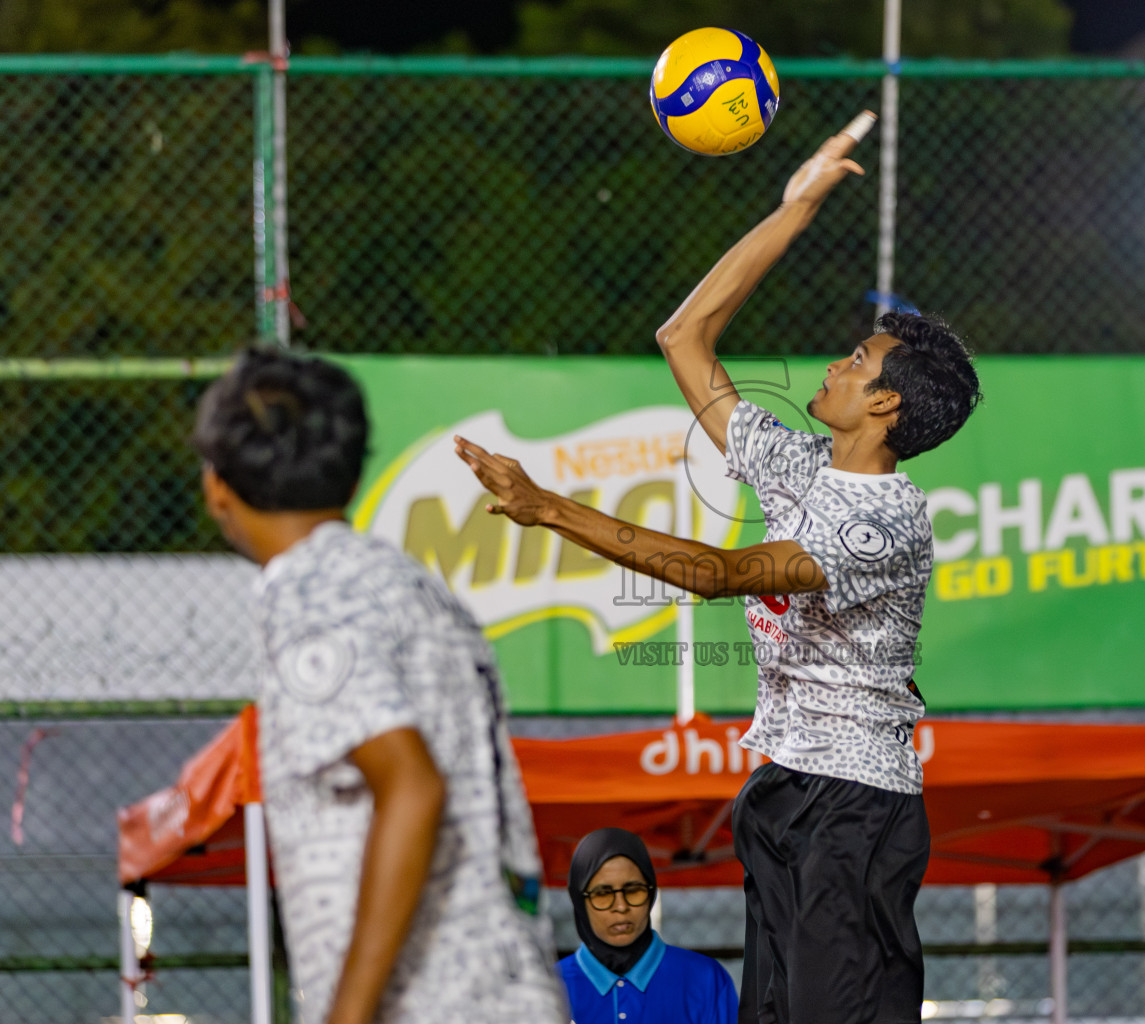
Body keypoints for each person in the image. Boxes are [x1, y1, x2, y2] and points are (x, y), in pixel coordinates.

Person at [454, 110, 981, 1024]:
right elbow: (683, 339)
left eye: (856, 360)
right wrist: (794, 209)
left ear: (885, 401)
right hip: (782, 786)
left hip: (856, 809)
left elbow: (717, 573)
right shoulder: (801, 466)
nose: (834, 361)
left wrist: (546, 507)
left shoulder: (886, 525)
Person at [193, 349, 568, 1024]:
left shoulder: (305, 590)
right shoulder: (409, 584)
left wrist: (347, 1016)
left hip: (431, 1005)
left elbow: (411, 782)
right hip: (506, 987)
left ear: (217, 485)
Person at [558, 828, 736, 1024]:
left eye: (634, 890)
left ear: (651, 892)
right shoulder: (548, 987)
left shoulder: (705, 980)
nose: (621, 906)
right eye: (603, 893)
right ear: (579, 900)